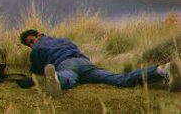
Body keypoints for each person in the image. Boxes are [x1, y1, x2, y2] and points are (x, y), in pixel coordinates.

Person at [19, 29, 181, 97]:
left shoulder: (38, 48)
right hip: (85, 63)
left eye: (31, 41)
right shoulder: (63, 39)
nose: (32, 45)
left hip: (67, 65)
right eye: (29, 44)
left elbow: (36, 69)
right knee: (120, 79)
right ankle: (161, 70)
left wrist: (32, 76)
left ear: (39, 35)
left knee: (68, 77)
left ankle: (56, 80)